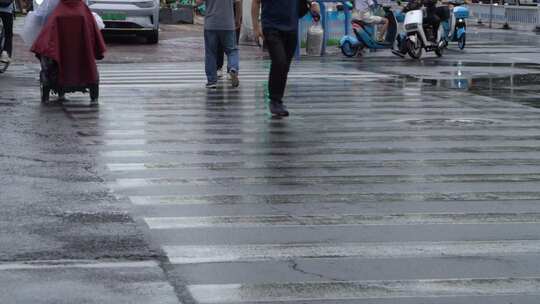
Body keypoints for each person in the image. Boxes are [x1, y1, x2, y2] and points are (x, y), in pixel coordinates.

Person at [251, 0, 320, 117]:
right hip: (271, 26)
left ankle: (278, 100)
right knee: (279, 61)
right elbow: (256, 2)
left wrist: (313, 5)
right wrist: (256, 28)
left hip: (291, 28)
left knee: (285, 66)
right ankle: (274, 100)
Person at [196, 0, 240, 89]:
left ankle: (212, 81)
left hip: (211, 24)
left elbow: (198, 2)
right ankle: (233, 68)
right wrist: (237, 19)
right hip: (228, 24)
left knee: (211, 53)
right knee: (232, 51)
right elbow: (238, 2)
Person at [217, 0, 242, 79]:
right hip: (233, 14)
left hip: (219, 14)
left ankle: (219, 68)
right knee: (232, 46)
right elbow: (239, 2)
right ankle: (231, 69)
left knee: (219, 43)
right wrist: (238, 18)